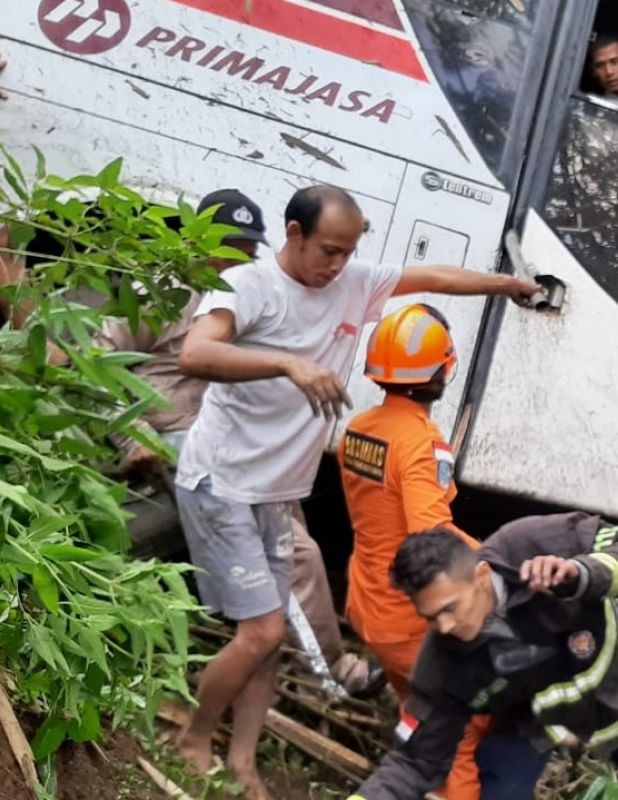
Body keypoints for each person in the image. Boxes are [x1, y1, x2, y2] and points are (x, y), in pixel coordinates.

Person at [172, 184, 540, 799]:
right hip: (222, 481)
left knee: (266, 644)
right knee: (261, 632)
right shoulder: (250, 285)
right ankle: (193, 735)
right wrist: (288, 363)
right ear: (293, 233)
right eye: (327, 250)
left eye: (348, 252)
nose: (338, 265)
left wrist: (508, 286)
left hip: (273, 494)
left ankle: (240, 761)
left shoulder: (352, 288)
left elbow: (437, 279)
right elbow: (195, 351)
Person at [94, 189, 384, 700]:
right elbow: (99, 365)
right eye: (224, 245)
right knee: (294, 551)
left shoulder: (246, 291)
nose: (235, 257)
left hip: (228, 437)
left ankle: (284, 652)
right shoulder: (163, 292)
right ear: (196, 240)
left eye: (245, 249)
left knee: (294, 524)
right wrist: (127, 438)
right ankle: (330, 672)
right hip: (174, 430)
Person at [347, 516, 618, 800]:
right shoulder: (442, 665)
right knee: (499, 786)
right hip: (537, 724)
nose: (444, 626)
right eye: (430, 617)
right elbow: (416, 761)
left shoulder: (532, 543)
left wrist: (583, 573)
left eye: (450, 608)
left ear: (482, 576)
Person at [338, 303, 487, 799]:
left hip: (368, 608)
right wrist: (496, 557)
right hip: (409, 622)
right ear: (446, 370)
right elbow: (432, 534)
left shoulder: (359, 428)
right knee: (459, 740)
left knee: (426, 727)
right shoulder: (422, 443)